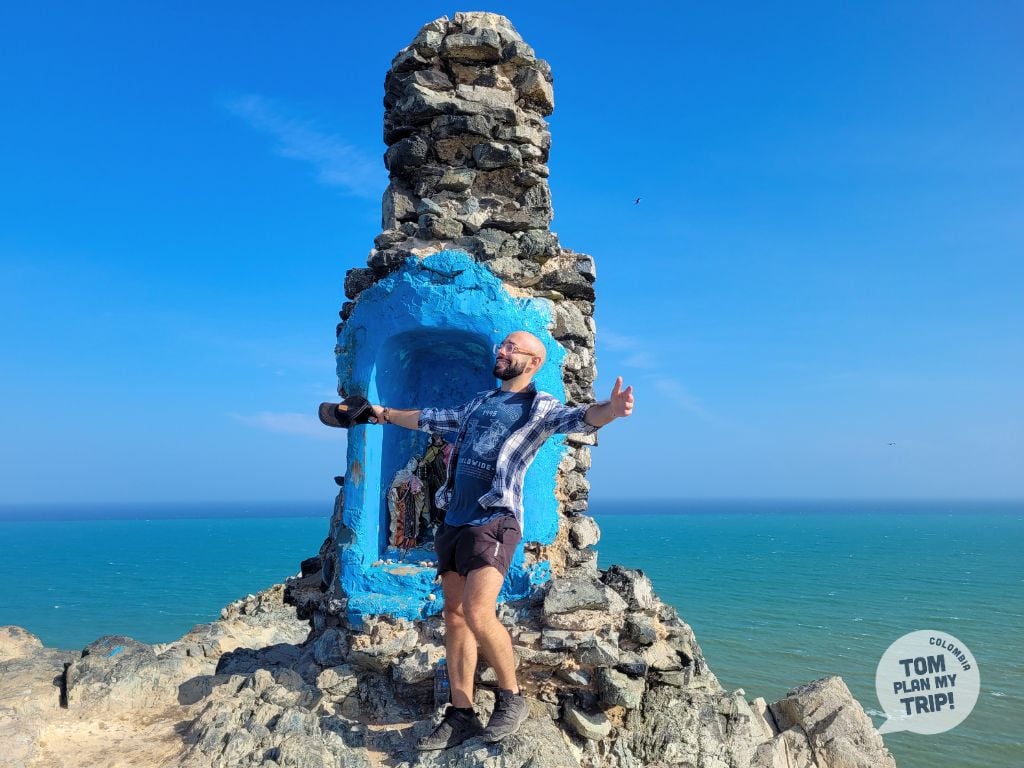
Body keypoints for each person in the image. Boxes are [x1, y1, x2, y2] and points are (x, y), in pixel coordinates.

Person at [324, 331, 634, 750]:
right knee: (454, 615)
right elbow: (429, 418)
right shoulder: (480, 403)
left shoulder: (539, 407)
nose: (501, 351)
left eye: (511, 348)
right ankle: (461, 713)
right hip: (454, 519)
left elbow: (579, 418)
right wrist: (379, 413)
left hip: (495, 520)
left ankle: (512, 698)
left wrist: (611, 411)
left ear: (533, 362)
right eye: (502, 345)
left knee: (477, 610)